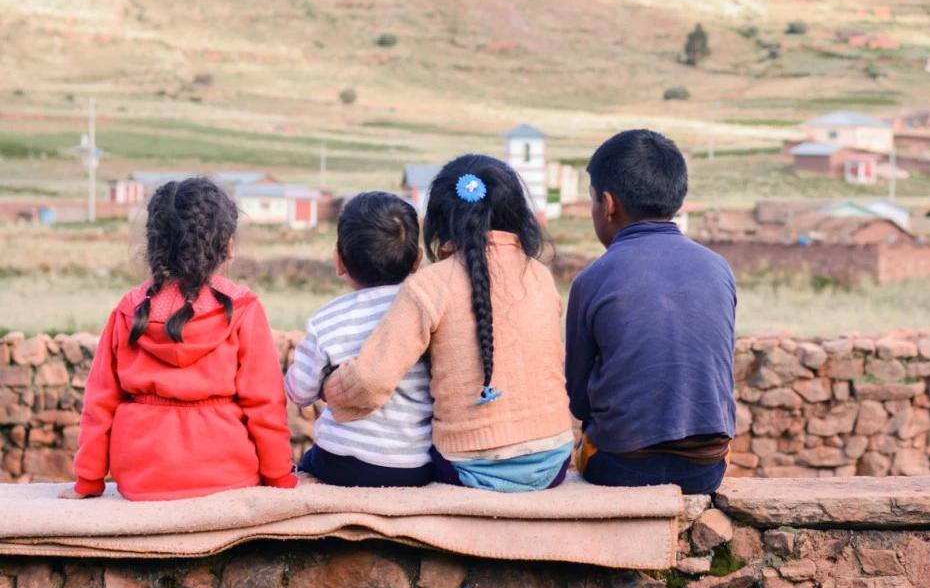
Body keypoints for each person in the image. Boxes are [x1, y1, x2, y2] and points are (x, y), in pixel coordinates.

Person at [324, 155, 573, 492]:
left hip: (469, 470)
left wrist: (331, 387)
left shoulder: (430, 285)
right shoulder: (540, 276)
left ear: (439, 220)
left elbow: (370, 380)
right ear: (516, 212)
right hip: (553, 461)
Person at [64, 177, 296, 501]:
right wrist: (279, 476)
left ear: (154, 243)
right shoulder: (243, 308)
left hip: (140, 481)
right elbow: (265, 404)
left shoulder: (128, 309)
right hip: (228, 473)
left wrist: (88, 481)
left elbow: (99, 405)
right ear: (227, 244)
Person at [566, 129, 737, 494]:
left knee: (582, 447)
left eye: (592, 201)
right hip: (705, 470)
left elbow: (578, 400)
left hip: (617, 467)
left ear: (608, 204)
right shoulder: (718, 267)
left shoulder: (592, 279)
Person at [285, 192, 434, 487]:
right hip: (417, 464)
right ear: (417, 260)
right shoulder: (428, 313)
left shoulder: (328, 320)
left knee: (305, 464)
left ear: (339, 260)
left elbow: (299, 392)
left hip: (343, 462)